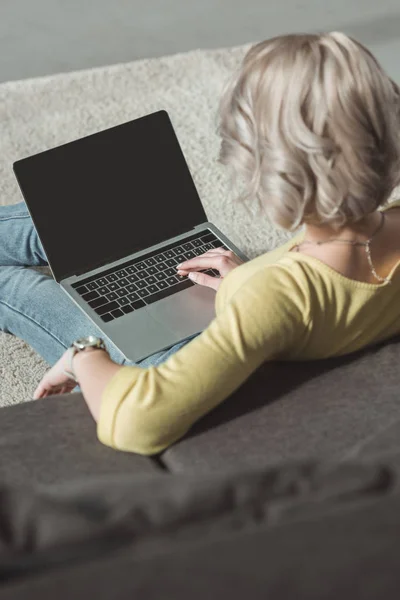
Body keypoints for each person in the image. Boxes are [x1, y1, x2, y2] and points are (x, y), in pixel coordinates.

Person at [1, 32, 400, 456]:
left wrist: (83, 354)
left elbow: (137, 421)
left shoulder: (278, 296)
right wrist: (240, 280)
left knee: (9, 284)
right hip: (252, 309)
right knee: (89, 226)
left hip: (167, 360)